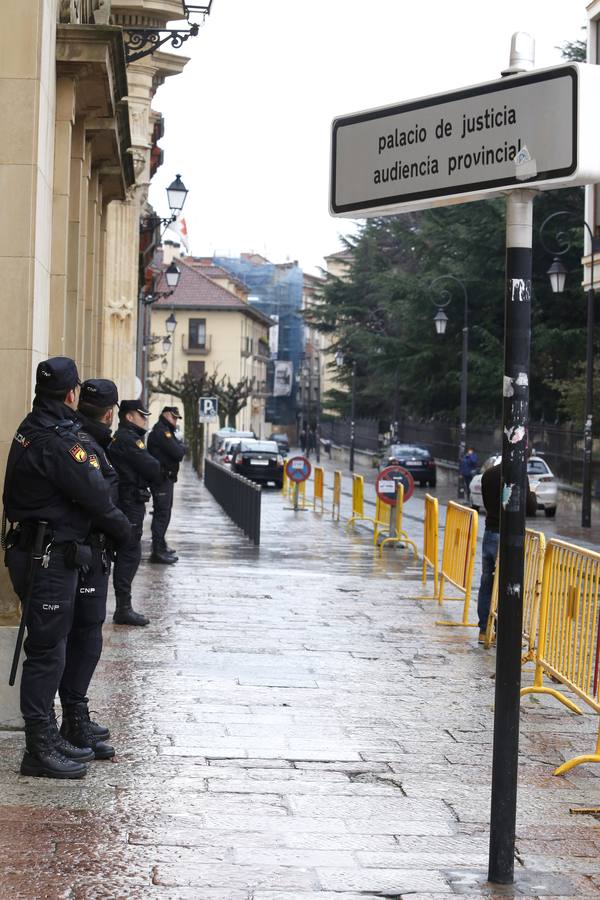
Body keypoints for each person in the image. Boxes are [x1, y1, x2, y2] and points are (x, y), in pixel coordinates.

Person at [2, 357, 131, 779]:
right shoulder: (60, 442)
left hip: (40, 550)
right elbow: (96, 495)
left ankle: (50, 734)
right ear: (72, 393)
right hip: (48, 556)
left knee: (51, 648)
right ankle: (38, 747)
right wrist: (126, 533)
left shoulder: (31, 425)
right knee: (46, 652)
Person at [58, 379, 122, 761]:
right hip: (85, 550)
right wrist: (125, 533)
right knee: (84, 637)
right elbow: (97, 499)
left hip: (87, 549)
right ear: (111, 411)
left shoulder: (81, 436)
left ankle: (74, 715)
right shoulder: (86, 443)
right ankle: (73, 719)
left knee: (83, 636)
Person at [109, 400, 161, 626]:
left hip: (130, 500)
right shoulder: (128, 439)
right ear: (129, 417)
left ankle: (124, 606)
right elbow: (152, 468)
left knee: (129, 553)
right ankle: (123, 608)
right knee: (128, 554)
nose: (145, 420)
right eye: (142, 416)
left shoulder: (127, 438)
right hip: (129, 502)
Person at [477, 457, 537, 643]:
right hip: (509, 536)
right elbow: (530, 507)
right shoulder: (518, 476)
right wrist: (532, 493)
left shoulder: (487, 475)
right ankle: (503, 631)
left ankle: (484, 630)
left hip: (490, 533)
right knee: (509, 583)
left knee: (487, 580)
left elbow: (487, 504)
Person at [147, 406, 186, 564]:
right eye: (173, 417)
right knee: (162, 514)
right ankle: (157, 551)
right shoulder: (162, 431)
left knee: (164, 513)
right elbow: (178, 452)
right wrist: (180, 448)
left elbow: (180, 449)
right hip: (161, 478)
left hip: (166, 478)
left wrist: (180, 447)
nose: (175, 420)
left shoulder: (166, 430)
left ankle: (161, 546)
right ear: (165, 415)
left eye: (177, 418)